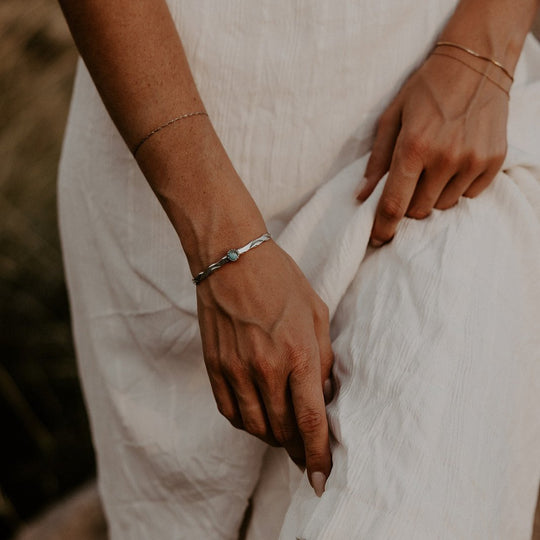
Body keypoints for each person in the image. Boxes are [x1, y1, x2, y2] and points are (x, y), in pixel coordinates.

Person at [57, 0, 540, 537]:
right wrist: (224, 248)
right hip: (170, 175)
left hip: (434, 135)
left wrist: (483, 50)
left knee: (410, 502)